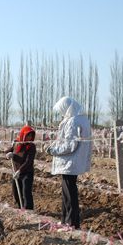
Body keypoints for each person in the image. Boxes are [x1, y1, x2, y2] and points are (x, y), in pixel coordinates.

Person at [46, 97, 92, 229]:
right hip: (74, 161)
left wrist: (53, 150)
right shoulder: (82, 120)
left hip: (70, 162)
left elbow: (69, 145)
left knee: (69, 192)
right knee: (68, 191)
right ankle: (66, 220)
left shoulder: (73, 121)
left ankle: (71, 222)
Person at [5, 125, 36, 209]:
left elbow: (28, 161)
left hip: (26, 173)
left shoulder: (31, 146)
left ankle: (28, 210)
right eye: (28, 135)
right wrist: (8, 154)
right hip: (16, 172)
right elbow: (8, 151)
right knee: (15, 192)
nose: (29, 137)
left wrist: (20, 170)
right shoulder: (17, 143)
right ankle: (20, 208)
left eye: (31, 135)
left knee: (26, 192)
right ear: (23, 135)